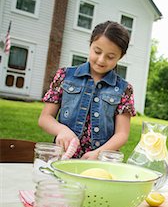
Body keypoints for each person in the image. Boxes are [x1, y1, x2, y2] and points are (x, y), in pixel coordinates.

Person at [39, 21, 136, 160]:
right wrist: (62, 130)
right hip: (63, 157)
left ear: (121, 56)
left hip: (99, 162)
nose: (101, 60)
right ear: (90, 45)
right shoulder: (65, 76)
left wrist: (98, 153)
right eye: (97, 51)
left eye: (110, 56)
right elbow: (45, 118)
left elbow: (122, 134)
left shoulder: (124, 89)